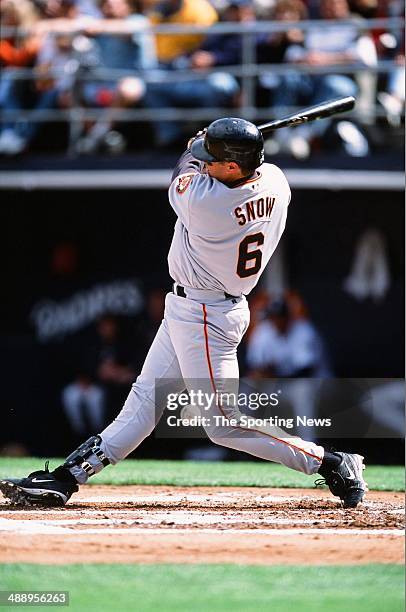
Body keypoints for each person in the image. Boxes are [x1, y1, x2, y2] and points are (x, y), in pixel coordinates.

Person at [0, 117, 367, 509]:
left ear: (231, 167)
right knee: (144, 401)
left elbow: (182, 170)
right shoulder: (277, 181)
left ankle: (330, 461)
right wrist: (216, 143)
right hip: (192, 306)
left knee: (222, 424)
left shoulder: (206, 202)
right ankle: (65, 479)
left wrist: (194, 145)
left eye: (213, 159)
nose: (204, 161)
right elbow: (231, 165)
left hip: (207, 314)